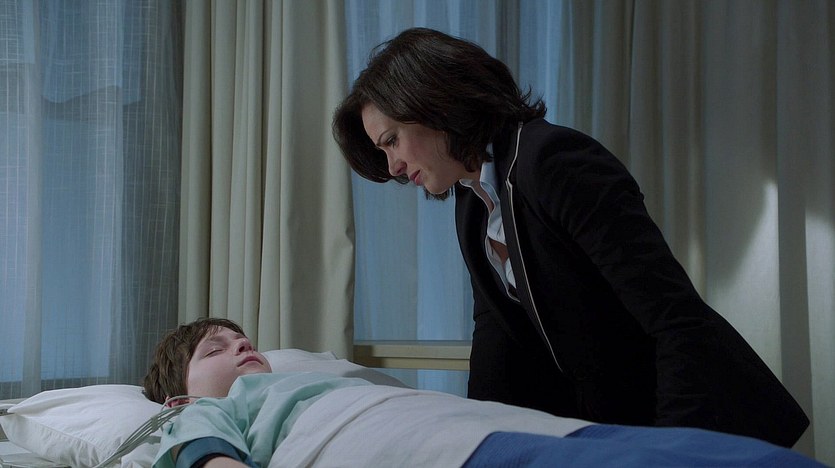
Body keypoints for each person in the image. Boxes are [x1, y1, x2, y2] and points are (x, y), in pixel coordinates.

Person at [331, 27, 809, 448]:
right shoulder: (472, 199)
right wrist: (476, 438)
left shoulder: (553, 161)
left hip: (691, 421)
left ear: (434, 104)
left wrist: (665, 452)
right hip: (608, 425)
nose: (393, 167)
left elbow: (676, 321)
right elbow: (496, 333)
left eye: (391, 141)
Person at [143, 318, 823, 468]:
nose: (239, 345)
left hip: (449, 419)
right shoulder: (204, 411)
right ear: (181, 395)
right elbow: (207, 456)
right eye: (213, 350)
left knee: (711, 454)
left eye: (240, 337)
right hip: (388, 443)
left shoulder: (311, 378)